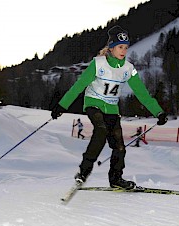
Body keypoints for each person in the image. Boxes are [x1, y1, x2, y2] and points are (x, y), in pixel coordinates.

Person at [51, 25, 168, 189]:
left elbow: (142, 93)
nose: (123, 51)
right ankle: (83, 172)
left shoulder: (128, 69)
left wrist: (158, 112)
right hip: (94, 103)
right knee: (101, 130)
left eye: (126, 47)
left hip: (112, 109)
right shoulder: (98, 64)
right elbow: (79, 85)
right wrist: (62, 106)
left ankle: (116, 179)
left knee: (119, 146)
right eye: (120, 47)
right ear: (111, 48)